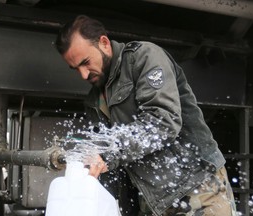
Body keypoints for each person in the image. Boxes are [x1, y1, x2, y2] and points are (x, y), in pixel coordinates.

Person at [54, 15, 237, 216]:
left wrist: (108, 155)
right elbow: (114, 164)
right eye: (76, 68)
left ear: (104, 43)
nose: (83, 74)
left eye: (86, 62)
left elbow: (162, 123)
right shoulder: (94, 100)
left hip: (196, 187)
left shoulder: (144, 58)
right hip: (153, 200)